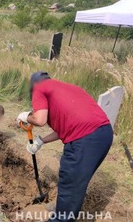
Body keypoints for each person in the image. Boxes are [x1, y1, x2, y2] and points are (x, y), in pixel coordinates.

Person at [17, 72, 113, 222]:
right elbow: (69, 125)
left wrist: (25, 116)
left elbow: (40, 119)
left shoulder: (39, 88)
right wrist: (41, 140)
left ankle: (61, 216)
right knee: (76, 184)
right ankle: (63, 207)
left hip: (84, 140)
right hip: (104, 134)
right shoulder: (71, 88)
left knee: (70, 186)